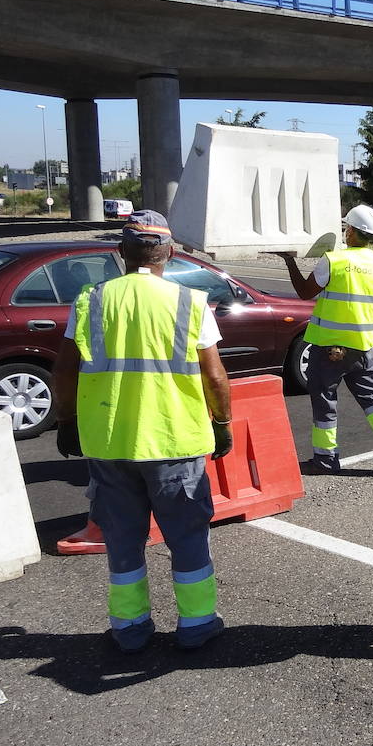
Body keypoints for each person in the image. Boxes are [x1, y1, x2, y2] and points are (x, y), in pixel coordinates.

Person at [52, 210, 233, 654]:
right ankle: (196, 623)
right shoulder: (189, 302)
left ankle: (130, 628)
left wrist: (66, 422)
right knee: (187, 536)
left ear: (120, 252)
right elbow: (215, 377)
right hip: (175, 441)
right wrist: (223, 423)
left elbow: (64, 371)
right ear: (168, 254)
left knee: (122, 540)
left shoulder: (92, 300)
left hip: (109, 441)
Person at [273, 205, 373, 474]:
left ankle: (325, 459)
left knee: (325, 401)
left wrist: (289, 261)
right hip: (363, 346)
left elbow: (304, 292)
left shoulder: (334, 260)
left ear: (349, 230)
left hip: (328, 346)